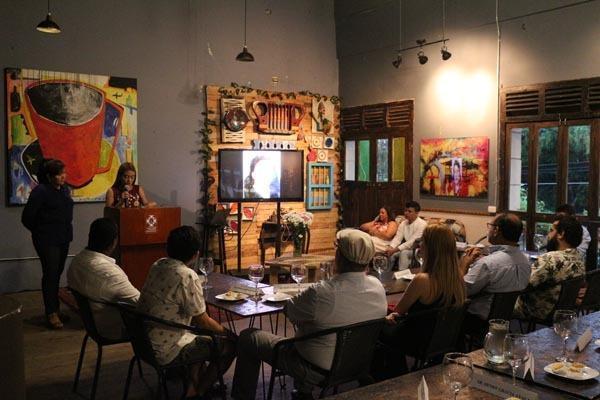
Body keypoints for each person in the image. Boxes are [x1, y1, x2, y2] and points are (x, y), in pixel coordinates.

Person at [231, 229, 387, 400]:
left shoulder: (323, 293)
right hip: (357, 364)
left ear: (339, 257)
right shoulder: (377, 286)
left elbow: (290, 311)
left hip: (313, 367)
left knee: (248, 337)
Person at [138, 226, 236, 399]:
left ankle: (192, 386)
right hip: (166, 349)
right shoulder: (186, 275)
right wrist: (229, 334)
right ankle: (200, 391)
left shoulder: (157, 264)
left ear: (167, 247)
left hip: (143, 342)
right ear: (195, 254)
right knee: (229, 345)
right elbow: (203, 321)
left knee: (199, 334)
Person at [377, 223, 466, 377]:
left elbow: (398, 311)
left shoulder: (422, 280)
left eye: (423, 241)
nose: (420, 245)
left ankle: (393, 376)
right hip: (441, 339)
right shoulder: (457, 278)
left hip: (417, 340)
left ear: (432, 248)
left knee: (377, 330)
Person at [22, 159, 74, 329]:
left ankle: (56, 310)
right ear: (49, 176)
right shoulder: (41, 192)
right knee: (50, 274)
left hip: (63, 237)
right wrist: (41, 231)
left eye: (64, 173)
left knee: (57, 273)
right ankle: (51, 313)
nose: (63, 177)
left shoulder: (65, 190)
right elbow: (27, 218)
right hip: (47, 240)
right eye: (59, 174)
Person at [67, 218, 139, 340]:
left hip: (92, 326)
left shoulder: (77, 261)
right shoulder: (110, 273)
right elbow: (140, 303)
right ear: (113, 242)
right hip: (114, 329)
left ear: (90, 236)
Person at [460, 213, 531, 330]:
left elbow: (461, 291)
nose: (488, 230)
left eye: (490, 226)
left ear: (496, 230)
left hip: (477, 320)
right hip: (505, 319)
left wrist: (464, 265)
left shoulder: (487, 264)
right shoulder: (525, 261)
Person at [513, 216, 585, 321]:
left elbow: (523, 285)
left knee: (492, 302)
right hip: (561, 310)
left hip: (536, 310)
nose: (548, 235)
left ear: (561, 234)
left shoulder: (550, 258)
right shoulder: (579, 258)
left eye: (551, 231)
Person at [385, 201, 428, 270]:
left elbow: (412, 242)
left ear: (417, 213)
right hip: (407, 248)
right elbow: (397, 238)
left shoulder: (422, 224)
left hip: (418, 250)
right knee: (391, 254)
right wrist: (391, 248)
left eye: (409, 211)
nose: (406, 213)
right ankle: (386, 274)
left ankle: (401, 276)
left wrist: (394, 250)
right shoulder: (403, 223)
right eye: (405, 210)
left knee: (404, 253)